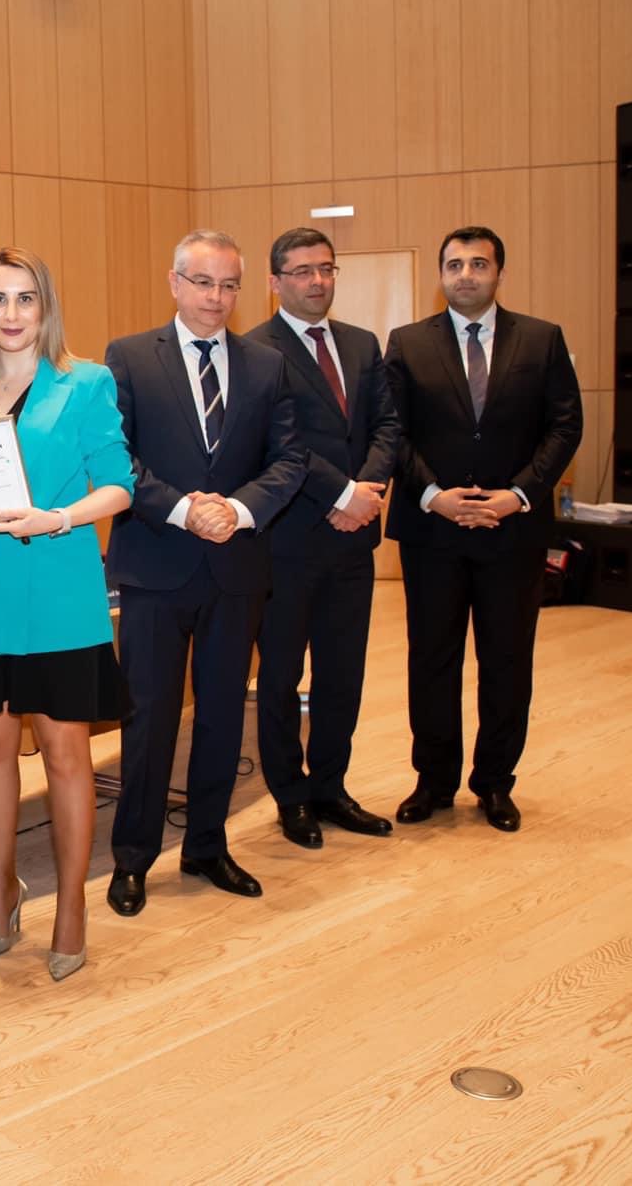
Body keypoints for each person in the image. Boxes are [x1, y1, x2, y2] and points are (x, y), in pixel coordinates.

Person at [0, 248, 134, 982]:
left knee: (65, 755)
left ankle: (72, 908)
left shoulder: (87, 382)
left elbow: (119, 486)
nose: (10, 313)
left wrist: (59, 517)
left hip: (59, 592)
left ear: (46, 308)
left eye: (25, 298)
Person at [103, 229, 306, 915]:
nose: (216, 297)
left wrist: (239, 512)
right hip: (156, 566)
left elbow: (290, 460)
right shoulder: (129, 357)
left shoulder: (268, 365)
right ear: (174, 282)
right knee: (150, 718)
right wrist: (184, 508)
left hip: (236, 566)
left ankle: (208, 847)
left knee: (222, 715)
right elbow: (117, 458)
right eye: (202, 282)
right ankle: (133, 858)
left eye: (228, 285)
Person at [383, 225, 582, 832]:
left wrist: (518, 495)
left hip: (512, 532)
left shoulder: (542, 339)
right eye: (454, 264)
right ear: (440, 274)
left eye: (478, 263)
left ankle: (495, 782)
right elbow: (392, 431)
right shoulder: (407, 343)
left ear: (499, 272)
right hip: (433, 532)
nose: (465, 274)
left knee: (507, 661)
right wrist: (434, 496)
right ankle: (433, 781)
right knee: (432, 660)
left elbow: (565, 426)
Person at [245, 228, 402, 849]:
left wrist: (366, 492)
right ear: (275, 282)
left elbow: (387, 426)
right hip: (287, 543)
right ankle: (290, 797)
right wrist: (341, 496)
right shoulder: (256, 350)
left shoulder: (362, 344)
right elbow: (278, 443)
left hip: (353, 541)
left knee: (343, 673)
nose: (317, 281)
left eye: (326, 269)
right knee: (281, 678)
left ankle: (331, 787)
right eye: (302, 271)